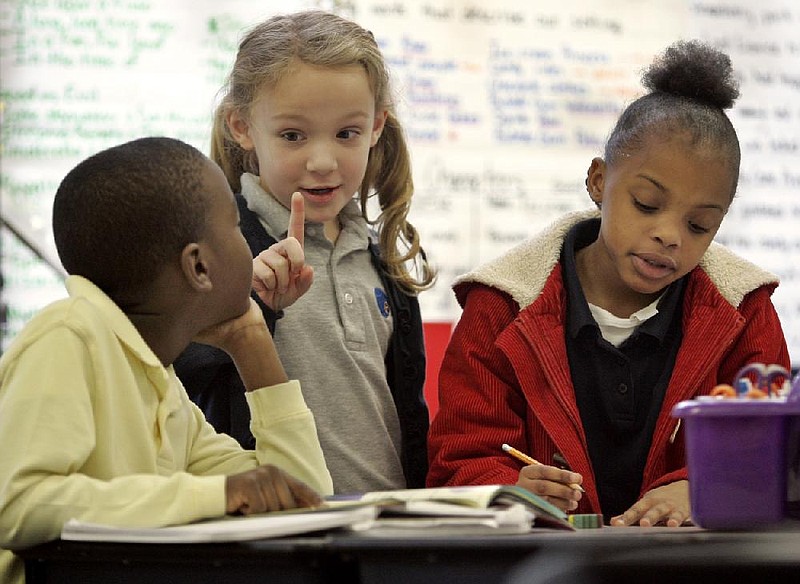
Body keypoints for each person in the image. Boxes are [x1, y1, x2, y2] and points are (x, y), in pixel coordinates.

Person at [426, 40, 790, 527]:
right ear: (599, 181)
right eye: (645, 203)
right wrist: (508, 489)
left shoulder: (743, 313)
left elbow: (772, 454)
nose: (669, 235)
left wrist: (702, 486)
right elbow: (457, 462)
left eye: (700, 225)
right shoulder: (503, 307)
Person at [0, 137, 333, 584]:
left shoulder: (157, 378)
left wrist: (252, 340)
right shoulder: (69, 335)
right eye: (235, 227)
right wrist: (215, 495)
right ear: (198, 267)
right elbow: (20, 503)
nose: (250, 246)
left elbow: (304, 496)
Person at [174, 10, 435, 493]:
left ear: (376, 125)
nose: (321, 162)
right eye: (293, 135)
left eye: (346, 133)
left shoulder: (386, 261)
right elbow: (175, 390)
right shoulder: (216, 249)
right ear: (242, 126)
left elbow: (407, 415)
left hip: (386, 532)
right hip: (270, 537)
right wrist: (251, 307)